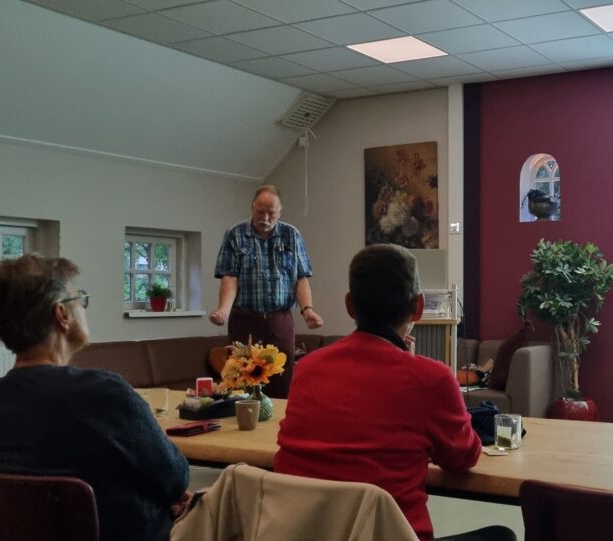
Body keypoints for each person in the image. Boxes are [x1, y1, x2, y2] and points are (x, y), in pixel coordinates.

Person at [274, 244, 516, 541]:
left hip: (305, 534)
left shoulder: (307, 368)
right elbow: (463, 458)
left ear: (350, 305)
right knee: (502, 535)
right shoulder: (431, 379)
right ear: (418, 307)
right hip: (389, 534)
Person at [0, 254, 190, 541]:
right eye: (79, 299)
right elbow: (175, 478)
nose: (83, 307)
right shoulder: (106, 394)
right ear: (62, 315)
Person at [210, 185, 323, 398]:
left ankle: (279, 419)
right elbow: (230, 276)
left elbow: (301, 277)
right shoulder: (235, 234)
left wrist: (307, 309)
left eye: (271, 213)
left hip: (279, 321)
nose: (265, 218)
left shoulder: (291, 235)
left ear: (280, 212)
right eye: (260, 212)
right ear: (252, 208)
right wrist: (223, 309)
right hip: (244, 320)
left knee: (281, 381)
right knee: (242, 383)